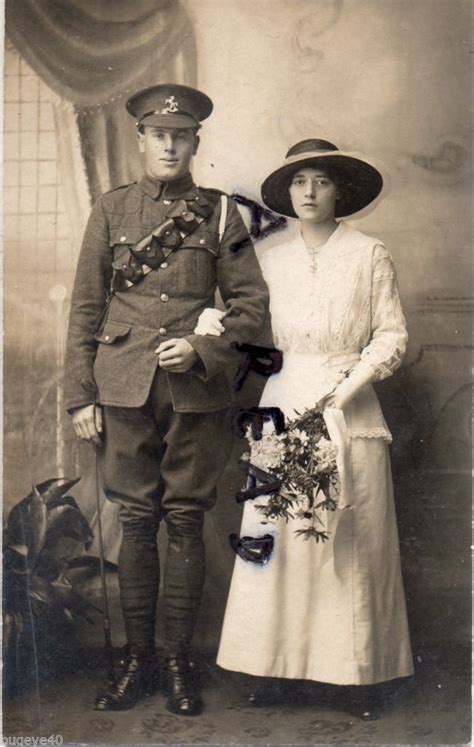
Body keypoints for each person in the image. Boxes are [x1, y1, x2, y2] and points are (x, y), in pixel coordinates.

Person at [64, 84, 269, 715]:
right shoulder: (112, 209)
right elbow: (86, 309)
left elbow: (251, 309)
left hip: (195, 392)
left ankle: (178, 662)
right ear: (143, 140)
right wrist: (80, 396)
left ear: (195, 143)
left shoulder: (222, 215)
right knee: (134, 520)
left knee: (184, 518)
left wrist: (202, 352)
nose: (171, 144)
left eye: (182, 136)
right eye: (160, 135)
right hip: (122, 386)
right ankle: (137, 660)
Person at [199, 139, 414, 719]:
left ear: (340, 189)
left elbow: (391, 336)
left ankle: (358, 675)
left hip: (350, 403)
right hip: (283, 404)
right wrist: (212, 324)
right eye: (300, 183)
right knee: (280, 540)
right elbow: (253, 337)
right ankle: (272, 668)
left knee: (349, 540)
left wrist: (340, 395)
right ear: (288, 194)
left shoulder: (370, 254)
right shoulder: (269, 260)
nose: (310, 192)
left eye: (321, 181)